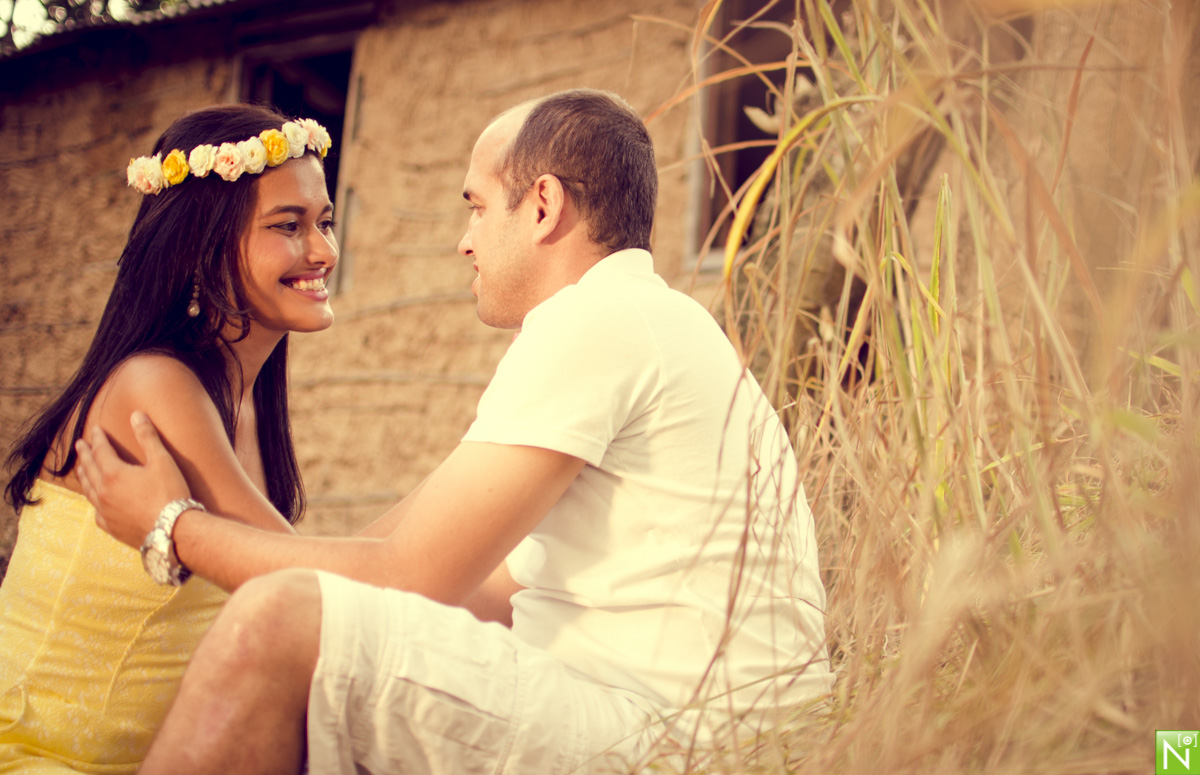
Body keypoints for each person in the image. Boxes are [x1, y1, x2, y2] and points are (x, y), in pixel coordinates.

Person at [74, 89, 833, 774]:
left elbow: (406, 575)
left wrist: (173, 527)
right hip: (692, 725)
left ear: (543, 206)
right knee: (323, 637)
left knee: (278, 623)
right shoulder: (643, 318)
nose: (465, 242)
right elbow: (467, 583)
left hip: (685, 739)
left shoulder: (595, 320)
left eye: (477, 207)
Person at [0, 103, 339, 772]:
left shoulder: (244, 403)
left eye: (325, 221)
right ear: (201, 248)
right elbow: (311, 589)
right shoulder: (154, 385)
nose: (324, 250)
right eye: (288, 225)